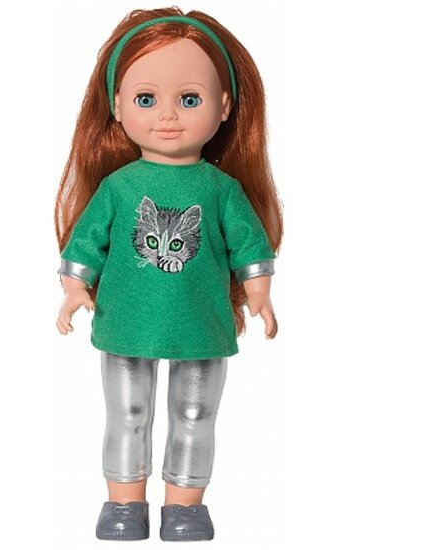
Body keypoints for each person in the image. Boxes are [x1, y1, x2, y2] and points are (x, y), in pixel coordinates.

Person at [54, 7, 283, 542]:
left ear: (223, 107)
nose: (168, 116)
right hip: (126, 319)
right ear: (117, 106)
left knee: (195, 412)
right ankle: (123, 504)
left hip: (200, 321)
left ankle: (185, 507)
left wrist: (259, 290)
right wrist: (73, 286)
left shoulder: (220, 189)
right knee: (127, 411)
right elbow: (86, 241)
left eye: (189, 99)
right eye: (145, 99)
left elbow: (249, 242)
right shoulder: (118, 186)